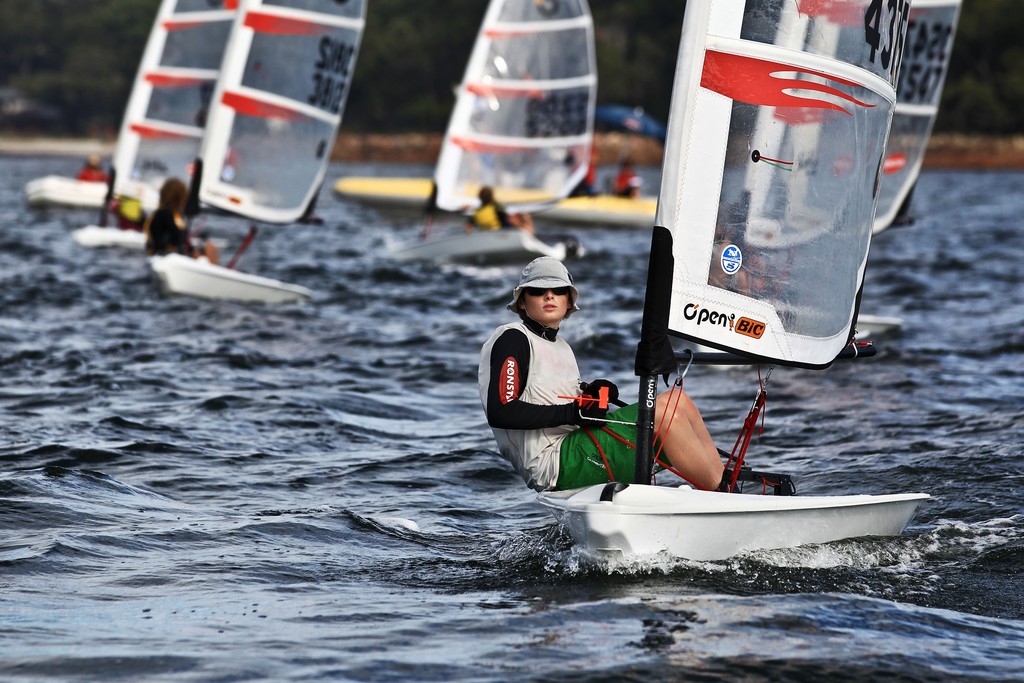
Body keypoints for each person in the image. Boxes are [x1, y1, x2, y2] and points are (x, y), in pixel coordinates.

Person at [478, 257, 726, 493]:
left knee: (677, 400)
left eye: (558, 290)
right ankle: (722, 499)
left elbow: (553, 398)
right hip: (554, 463)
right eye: (537, 290)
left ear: (568, 301)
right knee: (663, 414)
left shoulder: (561, 346)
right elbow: (502, 411)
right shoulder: (512, 338)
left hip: (575, 444)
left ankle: (725, 483)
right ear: (522, 301)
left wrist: (588, 394)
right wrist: (574, 412)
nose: (549, 295)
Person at [144, 177, 218, 264]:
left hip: (172, 256)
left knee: (209, 248)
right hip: (168, 258)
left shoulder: (170, 215)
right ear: (178, 198)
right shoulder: (164, 215)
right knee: (210, 248)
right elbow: (174, 239)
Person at [466, 186, 534, 235]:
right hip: (494, 234)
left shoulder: (482, 210)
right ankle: (526, 231)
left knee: (522, 218)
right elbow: (506, 219)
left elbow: (505, 219)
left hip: (497, 233)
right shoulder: (480, 210)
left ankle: (526, 232)